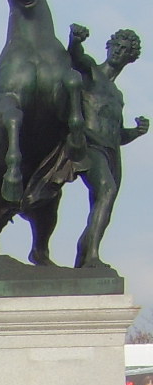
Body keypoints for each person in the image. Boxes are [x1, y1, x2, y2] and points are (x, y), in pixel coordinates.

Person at [67, 25, 147, 269]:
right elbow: (76, 57)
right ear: (109, 46)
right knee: (107, 191)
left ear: (130, 58)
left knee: (103, 207)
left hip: (112, 154)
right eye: (117, 46)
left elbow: (118, 134)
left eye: (125, 50)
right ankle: (92, 257)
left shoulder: (117, 94)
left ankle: (83, 259)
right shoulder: (92, 71)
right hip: (91, 146)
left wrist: (137, 132)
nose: (119, 52)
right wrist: (75, 40)